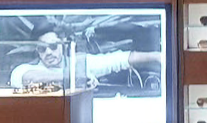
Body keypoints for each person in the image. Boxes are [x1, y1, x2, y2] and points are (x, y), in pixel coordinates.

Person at [10, 26, 161, 89]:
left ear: (63, 44)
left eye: (53, 46)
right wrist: (75, 77)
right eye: (42, 49)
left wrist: (157, 56)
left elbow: (119, 59)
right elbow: (28, 78)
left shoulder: (80, 62)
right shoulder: (25, 69)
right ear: (37, 51)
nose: (48, 52)